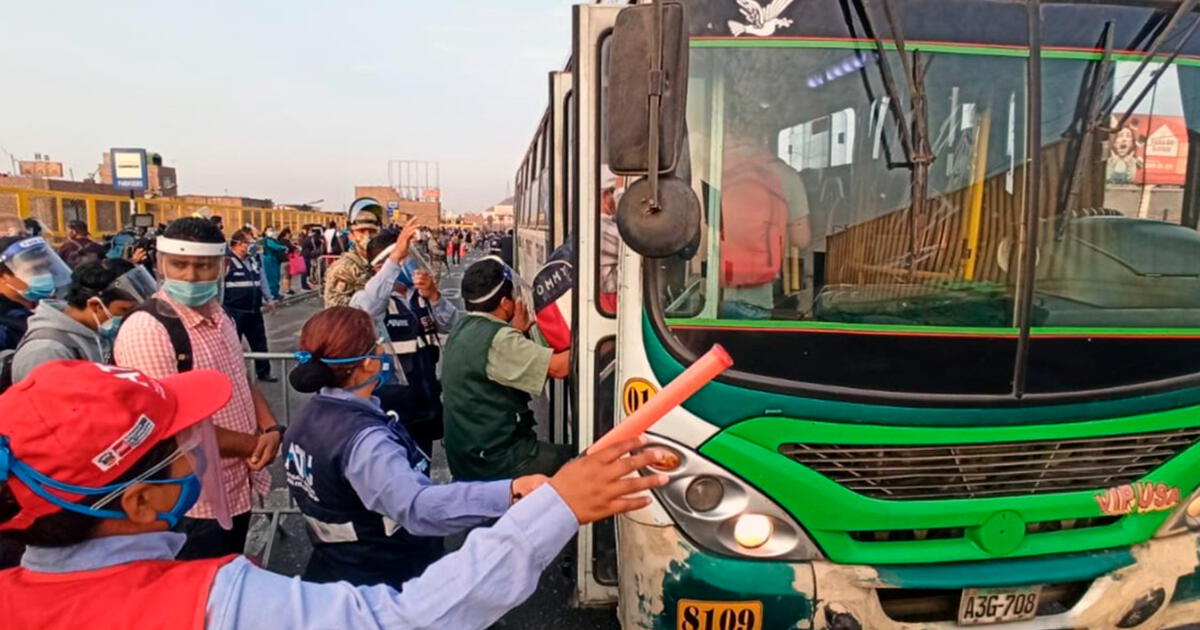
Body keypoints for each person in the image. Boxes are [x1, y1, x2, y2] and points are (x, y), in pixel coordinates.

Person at [0, 359, 668, 630]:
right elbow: (402, 615)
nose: (199, 454)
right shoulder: (206, 603)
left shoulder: (315, 416)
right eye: (183, 447)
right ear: (136, 501)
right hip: (375, 565)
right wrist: (550, 508)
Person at [285, 306, 544, 588]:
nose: (383, 349)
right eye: (378, 343)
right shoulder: (366, 444)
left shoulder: (306, 419)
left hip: (338, 568)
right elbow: (419, 507)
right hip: (388, 578)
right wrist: (510, 492)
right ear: (368, 363)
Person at [114, 217, 281, 560]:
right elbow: (174, 427)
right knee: (199, 597)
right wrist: (255, 444)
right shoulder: (150, 329)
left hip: (237, 484)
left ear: (220, 266)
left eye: (203, 266)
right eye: (180, 264)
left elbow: (241, 380)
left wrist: (271, 428)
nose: (190, 277)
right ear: (160, 264)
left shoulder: (221, 317)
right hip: (192, 501)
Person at [443, 257, 572, 481]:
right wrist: (598, 335)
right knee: (579, 459)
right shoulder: (499, 340)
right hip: (499, 460)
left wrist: (516, 333)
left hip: (469, 456)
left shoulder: (463, 328)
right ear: (505, 303)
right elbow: (559, 368)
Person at [352, 223, 462, 454]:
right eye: (406, 256)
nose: (412, 262)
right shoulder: (368, 298)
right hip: (389, 408)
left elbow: (451, 323)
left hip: (425, 401)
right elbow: (369, 310)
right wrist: (393, 263)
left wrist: (434, 296)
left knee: (421, 469)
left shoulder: (420, 295)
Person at [11, 259, 154, 382]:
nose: (133, 317)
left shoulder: (98, 334)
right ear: (95, 305)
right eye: (125, 310)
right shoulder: (47, 352)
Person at [0, 235, 72, 353]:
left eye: (47, 267)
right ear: (4, 276)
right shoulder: (4, 326)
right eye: (36, 269)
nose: (47, 274)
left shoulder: (51, 305)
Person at [223, 230, 277, 383]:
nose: (253, 246)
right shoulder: (227, 261)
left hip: (253, 309)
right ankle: (233, 376)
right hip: (234, 310)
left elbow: (262, 279)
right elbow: (218, 284)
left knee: (260, 342)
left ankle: (264, 372)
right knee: (233, 344)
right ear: (239, 244)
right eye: (250, 242)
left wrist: (269, 299)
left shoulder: (254, 260)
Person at [324, 201, 382, 307]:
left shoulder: (379, 262)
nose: (367, 236)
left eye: (371, 231)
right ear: (351, 236)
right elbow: (335, 305)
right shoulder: (344, 267)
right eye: (362, 231)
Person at [258, 227, 288, 300]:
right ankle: (271, 294)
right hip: (269, 259)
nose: (272, 232)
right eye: (270, 230)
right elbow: (275, 247)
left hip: (274, 258)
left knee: (276, 276)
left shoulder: (272, 240)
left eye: (273, 230)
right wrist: (284, 247)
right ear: (265, 232)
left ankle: (275, 293)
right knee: (271, 277)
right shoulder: (267, 240)